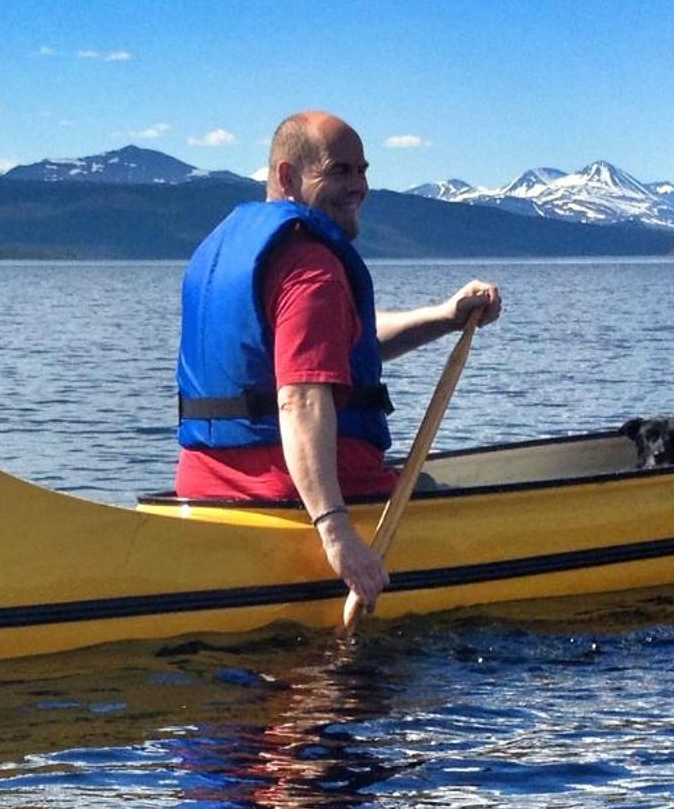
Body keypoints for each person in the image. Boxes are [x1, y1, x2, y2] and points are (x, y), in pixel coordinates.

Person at [176, 110, 501, 609]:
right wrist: (337, 533)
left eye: (363, 170)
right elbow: (301, 399)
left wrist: (445, 317)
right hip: (296, 499)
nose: (359, 187)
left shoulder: (220, 251)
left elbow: (342, 345)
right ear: (288, 176)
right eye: (339, 171)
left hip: (205, 492)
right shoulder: (312, 269)